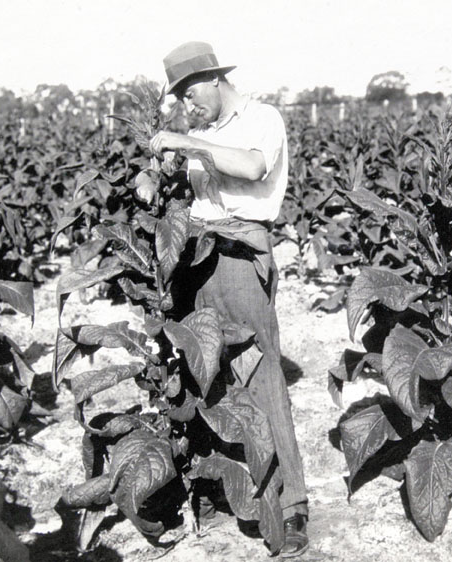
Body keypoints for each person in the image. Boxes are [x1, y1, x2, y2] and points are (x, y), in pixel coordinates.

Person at [149, 41, 309, 558]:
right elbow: (190, 188)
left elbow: (252, 168)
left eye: (191, 92)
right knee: (209, 370)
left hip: (241, 249)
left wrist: (183, 141)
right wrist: (152, 175)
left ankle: (290, 505)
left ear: (217, 79)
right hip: (197, 250)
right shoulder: (199, 132)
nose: (187, 104)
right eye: (179, 97)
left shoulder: (261, 118)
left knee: (260, 373)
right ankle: (228, 487)